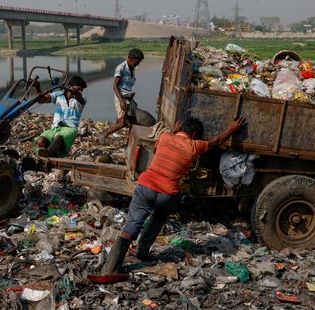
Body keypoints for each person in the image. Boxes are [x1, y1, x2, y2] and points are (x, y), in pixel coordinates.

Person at [98, 116, 247, 275]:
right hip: (167, 194)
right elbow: (216, 141)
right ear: (195, 134)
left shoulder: (165, 137)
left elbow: (156, 150)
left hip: (146, 187)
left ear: (180, 129)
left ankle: (111, 268)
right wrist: (231, 128)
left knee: (131, 227)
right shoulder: (194, 146)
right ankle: (143, 252)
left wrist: (173, 131)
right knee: (157, 220)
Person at [34, 75, 87, 158]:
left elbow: (80, 98)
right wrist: (37, 86)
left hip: (70, 128)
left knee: (59, 138)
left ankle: (47, 155)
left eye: (81, 90)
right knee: (41, 141)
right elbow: (41, 100)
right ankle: (50, 153)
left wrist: (76, 92)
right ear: (70, 87)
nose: (80, 91)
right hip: (55, 128)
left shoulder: (81, 99)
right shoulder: (58, 95)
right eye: (78, 89)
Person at [99, 48, 144, 143]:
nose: (138, 64)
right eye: (137, 61)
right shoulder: (121, 68)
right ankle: (104, 135)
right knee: (122, 123)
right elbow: (115, 86)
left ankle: (131, 141)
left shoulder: (132, 68)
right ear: (131, 58)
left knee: (133, 122)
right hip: (121, 97)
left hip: (129, 97)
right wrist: (121, 101)